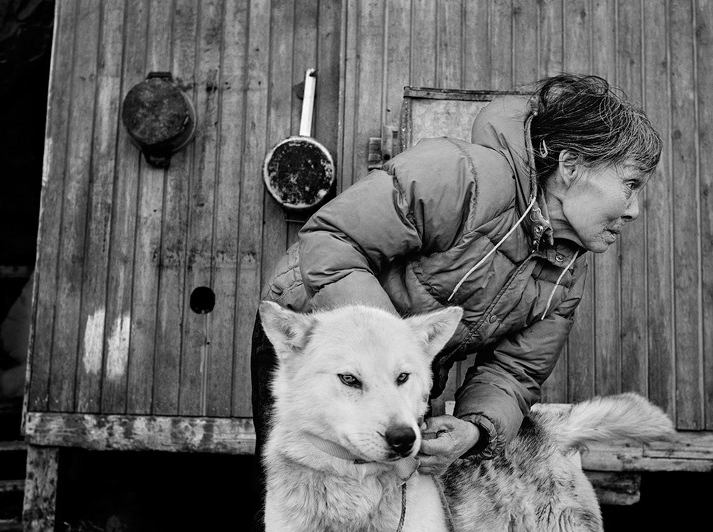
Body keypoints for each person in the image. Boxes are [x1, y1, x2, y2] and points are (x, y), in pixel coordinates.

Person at [249, 73, 662, 528]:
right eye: (630, 184)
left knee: (391, 493)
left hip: (409, 364)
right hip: (311, 333)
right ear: (571, 165)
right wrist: (398, 346)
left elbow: (515, 371)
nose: (633, 209)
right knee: (302, 495)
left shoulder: (567, 274)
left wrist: (475, 428)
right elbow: (333, 239)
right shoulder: (461, 175)